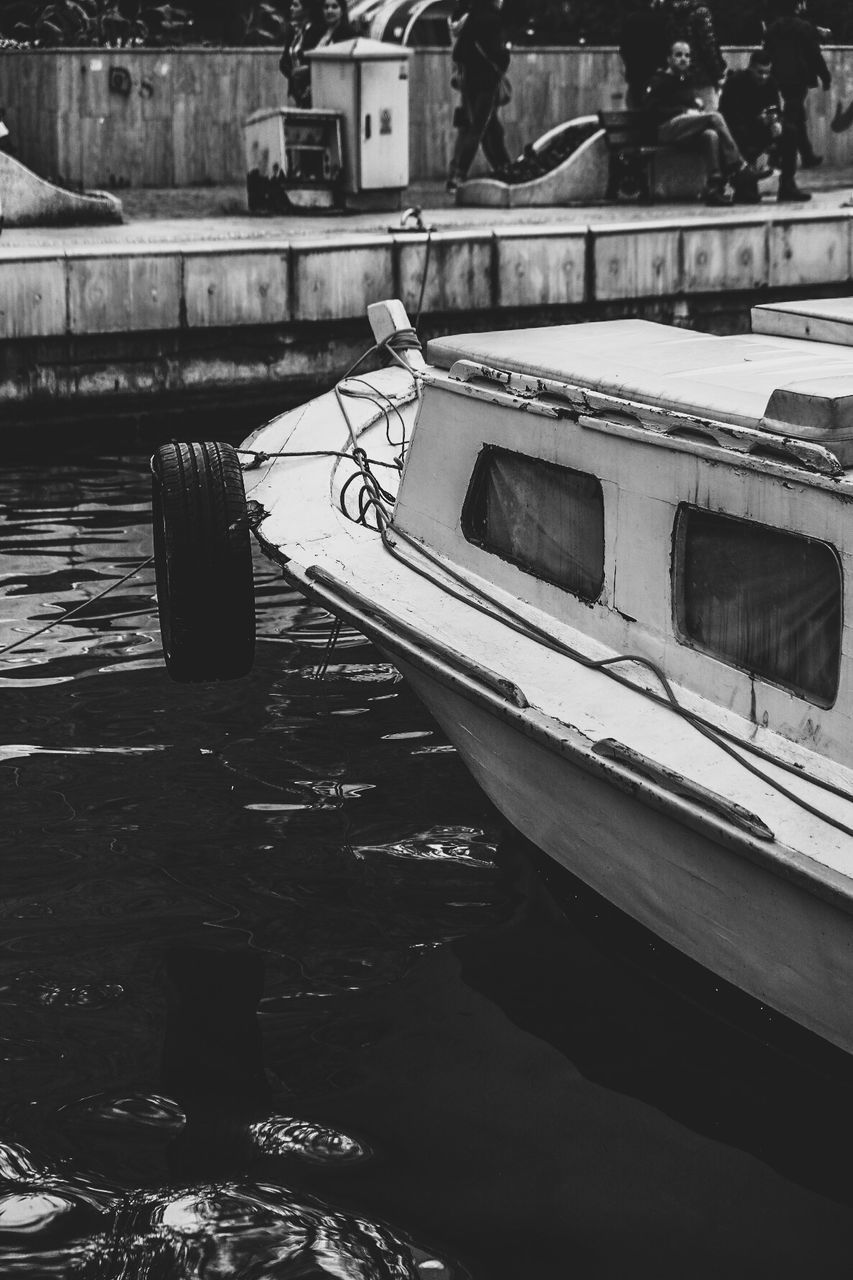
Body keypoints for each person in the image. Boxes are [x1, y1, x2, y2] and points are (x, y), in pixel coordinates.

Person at [646, 39, 749, 205]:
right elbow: (652, 112)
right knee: (715, 117)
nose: (683, 59)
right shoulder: (659, 80)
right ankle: (738, 166)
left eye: (687, 55)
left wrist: (696, 106)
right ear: (669, 59)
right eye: (678, 55)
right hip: (665, 129)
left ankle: (714, 187)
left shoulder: (686, 80)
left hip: (683, 131)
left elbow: (689, 102)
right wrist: (684, 111)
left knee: (710, 135)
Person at [720, 48, 811, 201]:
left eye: (767, 72)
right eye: (759, 72)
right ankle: (744, 186)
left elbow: (776, 109)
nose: (763, 77)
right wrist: (758, 121)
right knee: (743, 136)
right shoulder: (735, 82)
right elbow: (731, 117)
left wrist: (776, 122)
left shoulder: (770, 83)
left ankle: (787, 185)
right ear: (750, 68)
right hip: (737, 131)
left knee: (790, 131)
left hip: (760, 129)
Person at [446, 0, 511, 193]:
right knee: (478, 129)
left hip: (470, 82)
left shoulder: (472, 17)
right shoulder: (492, 19)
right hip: (487, 82)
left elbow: (458, 53)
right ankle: (459, 175)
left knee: (491, 128)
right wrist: (503, 57)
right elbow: (497, 52)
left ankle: (504, 167)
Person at [764, 0, 831, 168]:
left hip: (778, 77)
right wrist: (825, 76)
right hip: (799, 78)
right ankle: (778, 155)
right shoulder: (805, 27)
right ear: (797, 5)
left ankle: (806, 155)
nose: (804, 6)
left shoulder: (773, 28)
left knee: (796, 114)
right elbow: (815, 55)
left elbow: (766, 55)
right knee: (792, 116)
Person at [663, 0, 726, 108]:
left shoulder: (672, 13)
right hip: (703, 76)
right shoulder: (701, 12)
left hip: (680, 77)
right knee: (709, 118)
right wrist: (718, 74)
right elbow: (708, 46)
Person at [619, 0, 668, 109]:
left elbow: (624, 48)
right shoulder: (660, 20)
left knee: (636, 107)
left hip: (635, 72)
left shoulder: (630, 20)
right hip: (655, 73)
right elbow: (664, 47)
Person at [279, 0, 320, 108]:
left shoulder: (316, 32)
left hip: (310, 89)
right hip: (294, 91)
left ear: (306, 9)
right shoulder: (293, 32)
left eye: (296, 5)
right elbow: (284, 61)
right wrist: (292, 74)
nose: (291, 8)